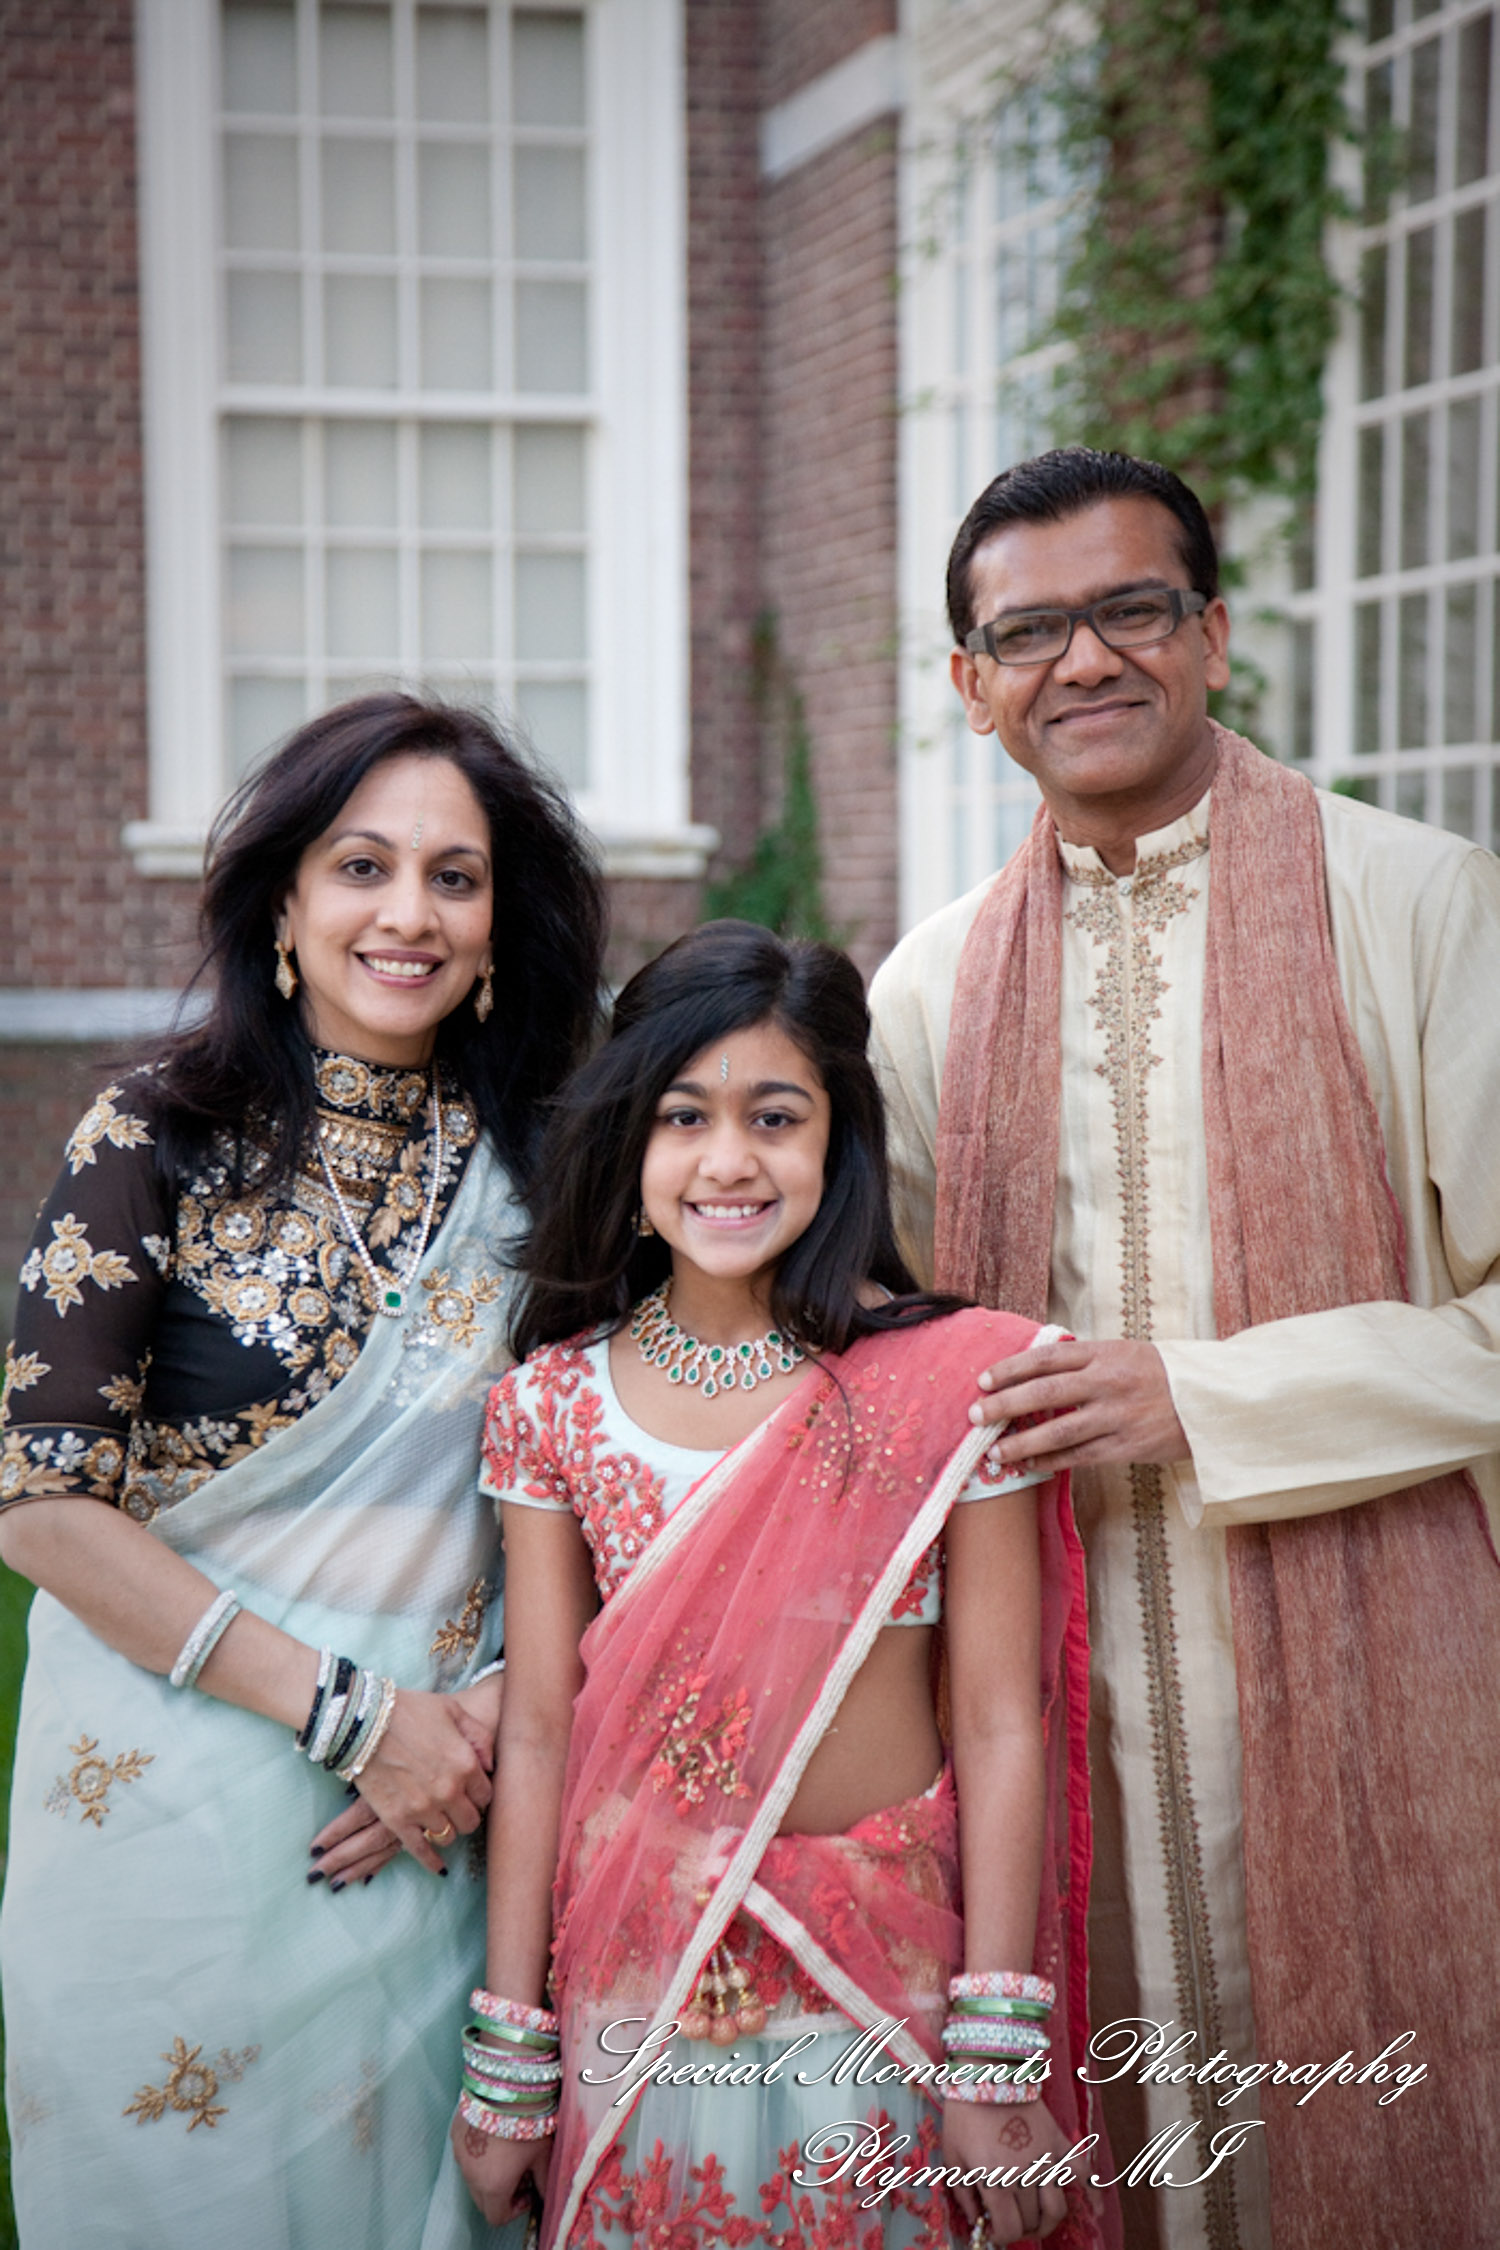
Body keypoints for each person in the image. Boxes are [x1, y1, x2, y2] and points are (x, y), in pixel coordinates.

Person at [868, 447, 1500, 2250]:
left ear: (1214, 635)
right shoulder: (929, 991)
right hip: (1055, 1709)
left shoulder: (1426, 904)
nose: (1085, 660)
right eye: (1029, 631)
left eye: (1132, 608)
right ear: (973, 689)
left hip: (1386, 1680)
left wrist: (1202, 1397)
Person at [0, 694, 605, 2249]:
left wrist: (477, 1716)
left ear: (494, 927)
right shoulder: (157, 1132)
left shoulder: (556, 1165)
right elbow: (43, 1503)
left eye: (454, 878)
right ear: (286, 899)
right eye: (362, 866)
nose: (407, 914)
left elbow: (642, 1470)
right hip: (174, 1822)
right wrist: (360, 1717)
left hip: (455, 1816)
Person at [448, 921, 1118, 2250]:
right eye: (683, 1116)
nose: (729, 1160)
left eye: (775, 1114)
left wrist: (996, 2053)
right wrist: (511, 2056)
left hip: (875, 1983)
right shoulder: (552, 1405)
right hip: (641, 1979)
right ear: (628, 1142)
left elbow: (1000, 1721)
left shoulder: (951, 1387)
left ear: (839, 1137)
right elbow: (538, 1728)